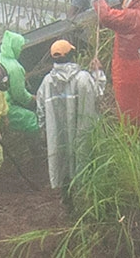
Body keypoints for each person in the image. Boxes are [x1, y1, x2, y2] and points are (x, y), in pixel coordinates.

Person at [37, 38, 107, 191]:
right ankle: (82, 194)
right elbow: (98, 94)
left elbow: (40, 110)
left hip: (58, 136)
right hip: (82, 133)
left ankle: (66, 197)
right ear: (71, 55)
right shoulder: (83, 78)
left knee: (61, 166)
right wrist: (98, 73)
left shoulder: (47, 82)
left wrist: (43, 130)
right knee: (82, 161)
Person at [0, 30, 41, 132]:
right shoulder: (15, 68)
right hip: (2, 106)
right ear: (16, 47)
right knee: (31, 119)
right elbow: (19, 95)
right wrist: (33, 99)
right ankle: (39, 145)